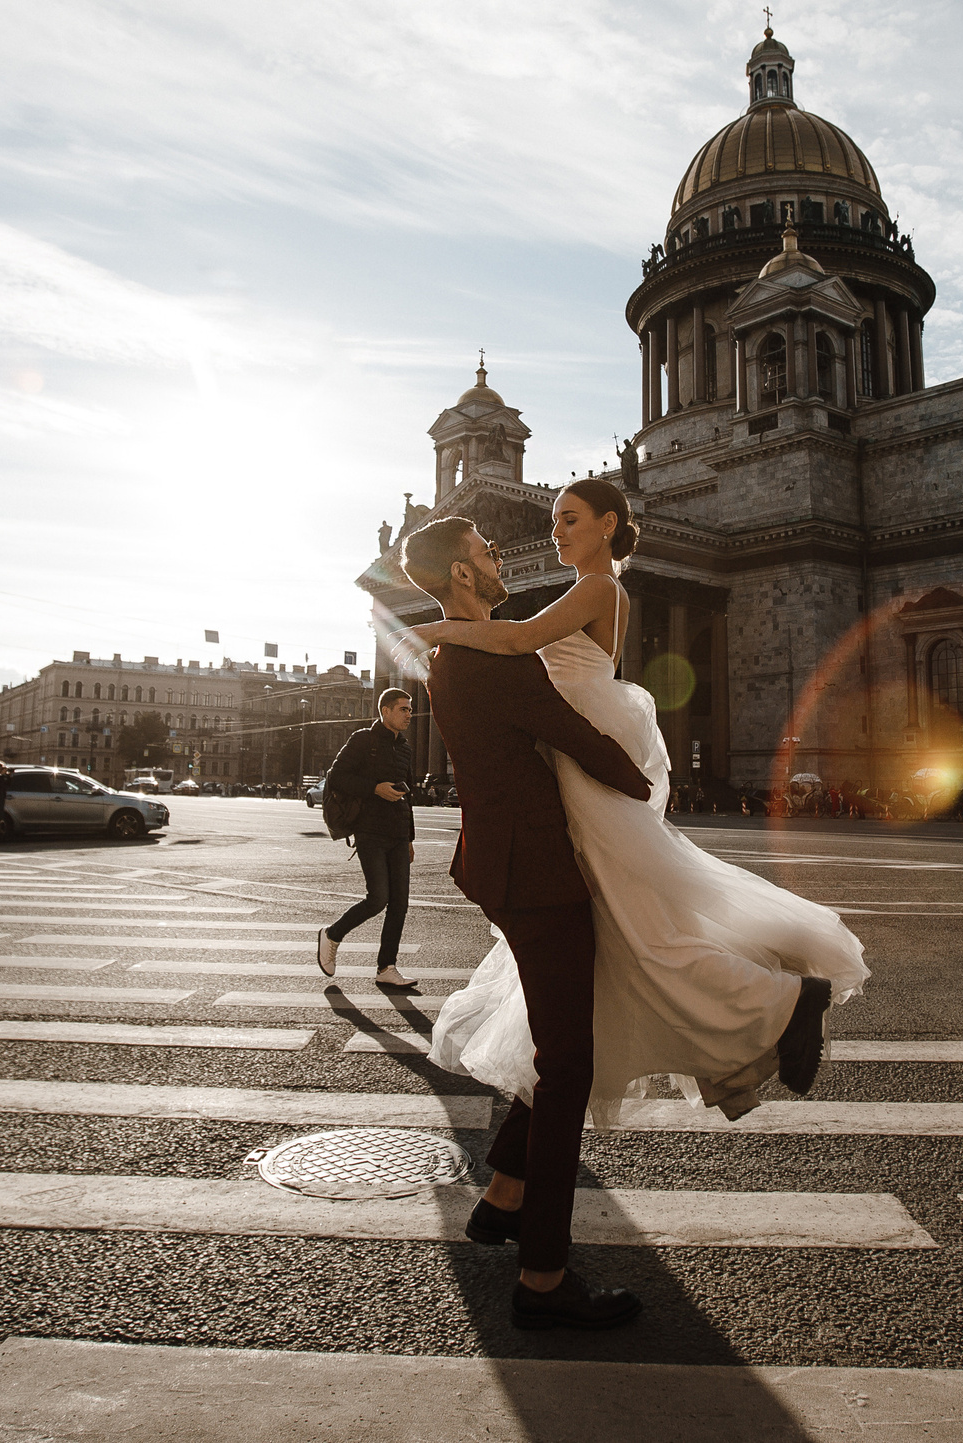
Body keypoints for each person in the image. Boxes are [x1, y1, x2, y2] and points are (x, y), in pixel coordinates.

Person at [391, 511, 656, 1331]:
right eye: (486, 549)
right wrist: (641, 781)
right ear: (464, 575)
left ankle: (505, 1195)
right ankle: (543, 1277)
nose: (499, 554)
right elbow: (572, 733)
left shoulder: (457, 652)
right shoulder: (487, 655)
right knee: (568, 1065)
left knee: (559, 1042)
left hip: (509, 865)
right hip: (538, 875)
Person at [317, 689, 422, 989]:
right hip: (370, 831)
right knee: (378, 898)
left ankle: (386, 967)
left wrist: (410, 838)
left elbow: (408, 795)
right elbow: (336, 777)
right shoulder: (363, 739)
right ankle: (332, 934)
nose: (409, 715)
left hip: (398, 833)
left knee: (399, 903)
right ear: (385, 711)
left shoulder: (404, 748)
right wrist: (374, 788)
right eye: (403, 709)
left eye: (410, 710)